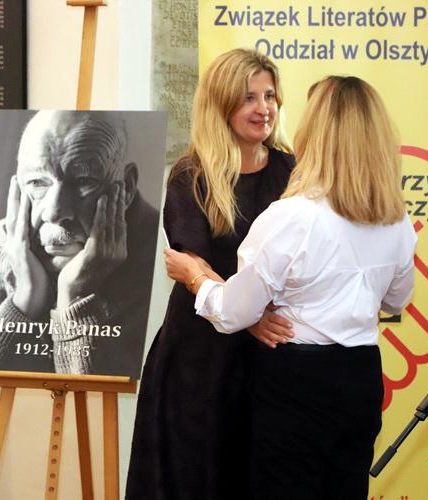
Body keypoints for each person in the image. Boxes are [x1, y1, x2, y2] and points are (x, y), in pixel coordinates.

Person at [164, 76, 417, 500]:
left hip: (296, 381)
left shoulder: (291, 218)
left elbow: (233, 313)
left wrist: (196, 277)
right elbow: (396, 299)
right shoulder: (396, 221)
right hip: (361, 375)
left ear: (315, 134)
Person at [126, 49, 295, 500]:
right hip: (200, 362)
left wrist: (251, 317)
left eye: (269, 96)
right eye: (249, 98)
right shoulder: (192, 175)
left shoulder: (292, 172)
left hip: (267, 363)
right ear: (221, 105)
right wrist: (248, 317)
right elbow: (192, 266)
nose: (263, 108)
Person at [0, 110, 159, 376]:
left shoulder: (162, 259)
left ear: (128, 186)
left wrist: (75, 296)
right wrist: (24, 298)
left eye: (83, 181)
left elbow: (106, 392)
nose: (54, 212)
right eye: (37, 182)